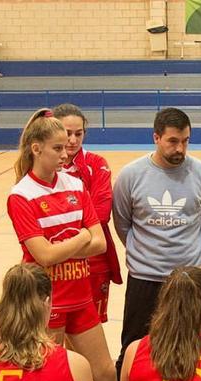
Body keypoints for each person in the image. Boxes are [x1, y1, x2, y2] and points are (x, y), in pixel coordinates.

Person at [6, 108, 123, 381]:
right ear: (36, 148)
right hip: (46, 304)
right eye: (57, 148)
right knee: (47, 375)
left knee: (103, 371)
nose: (66, 152)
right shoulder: (21, 195)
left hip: (81, 298)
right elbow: (43, 256)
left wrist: (64, 244)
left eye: (67, 146)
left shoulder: (75, 185)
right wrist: (80, 239)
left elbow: (99, 241)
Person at [112, 107, 201, 379]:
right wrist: (147, 254)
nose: (180, 148)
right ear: (156, 137)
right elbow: (123, 223)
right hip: (146, 278)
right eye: (173, 141)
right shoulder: (131, 175)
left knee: (197, 348)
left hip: (191, 279)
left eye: (185, 141)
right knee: (135, 350)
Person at [52, 103, 122, 326]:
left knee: (89, 329)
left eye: (78, 134)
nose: (72, 140)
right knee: (52, 333)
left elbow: (100, 215)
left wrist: (61, 229)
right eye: (67, 133)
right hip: (53, 264)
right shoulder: (42, 166)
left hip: (94, 261)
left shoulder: (96, 164)